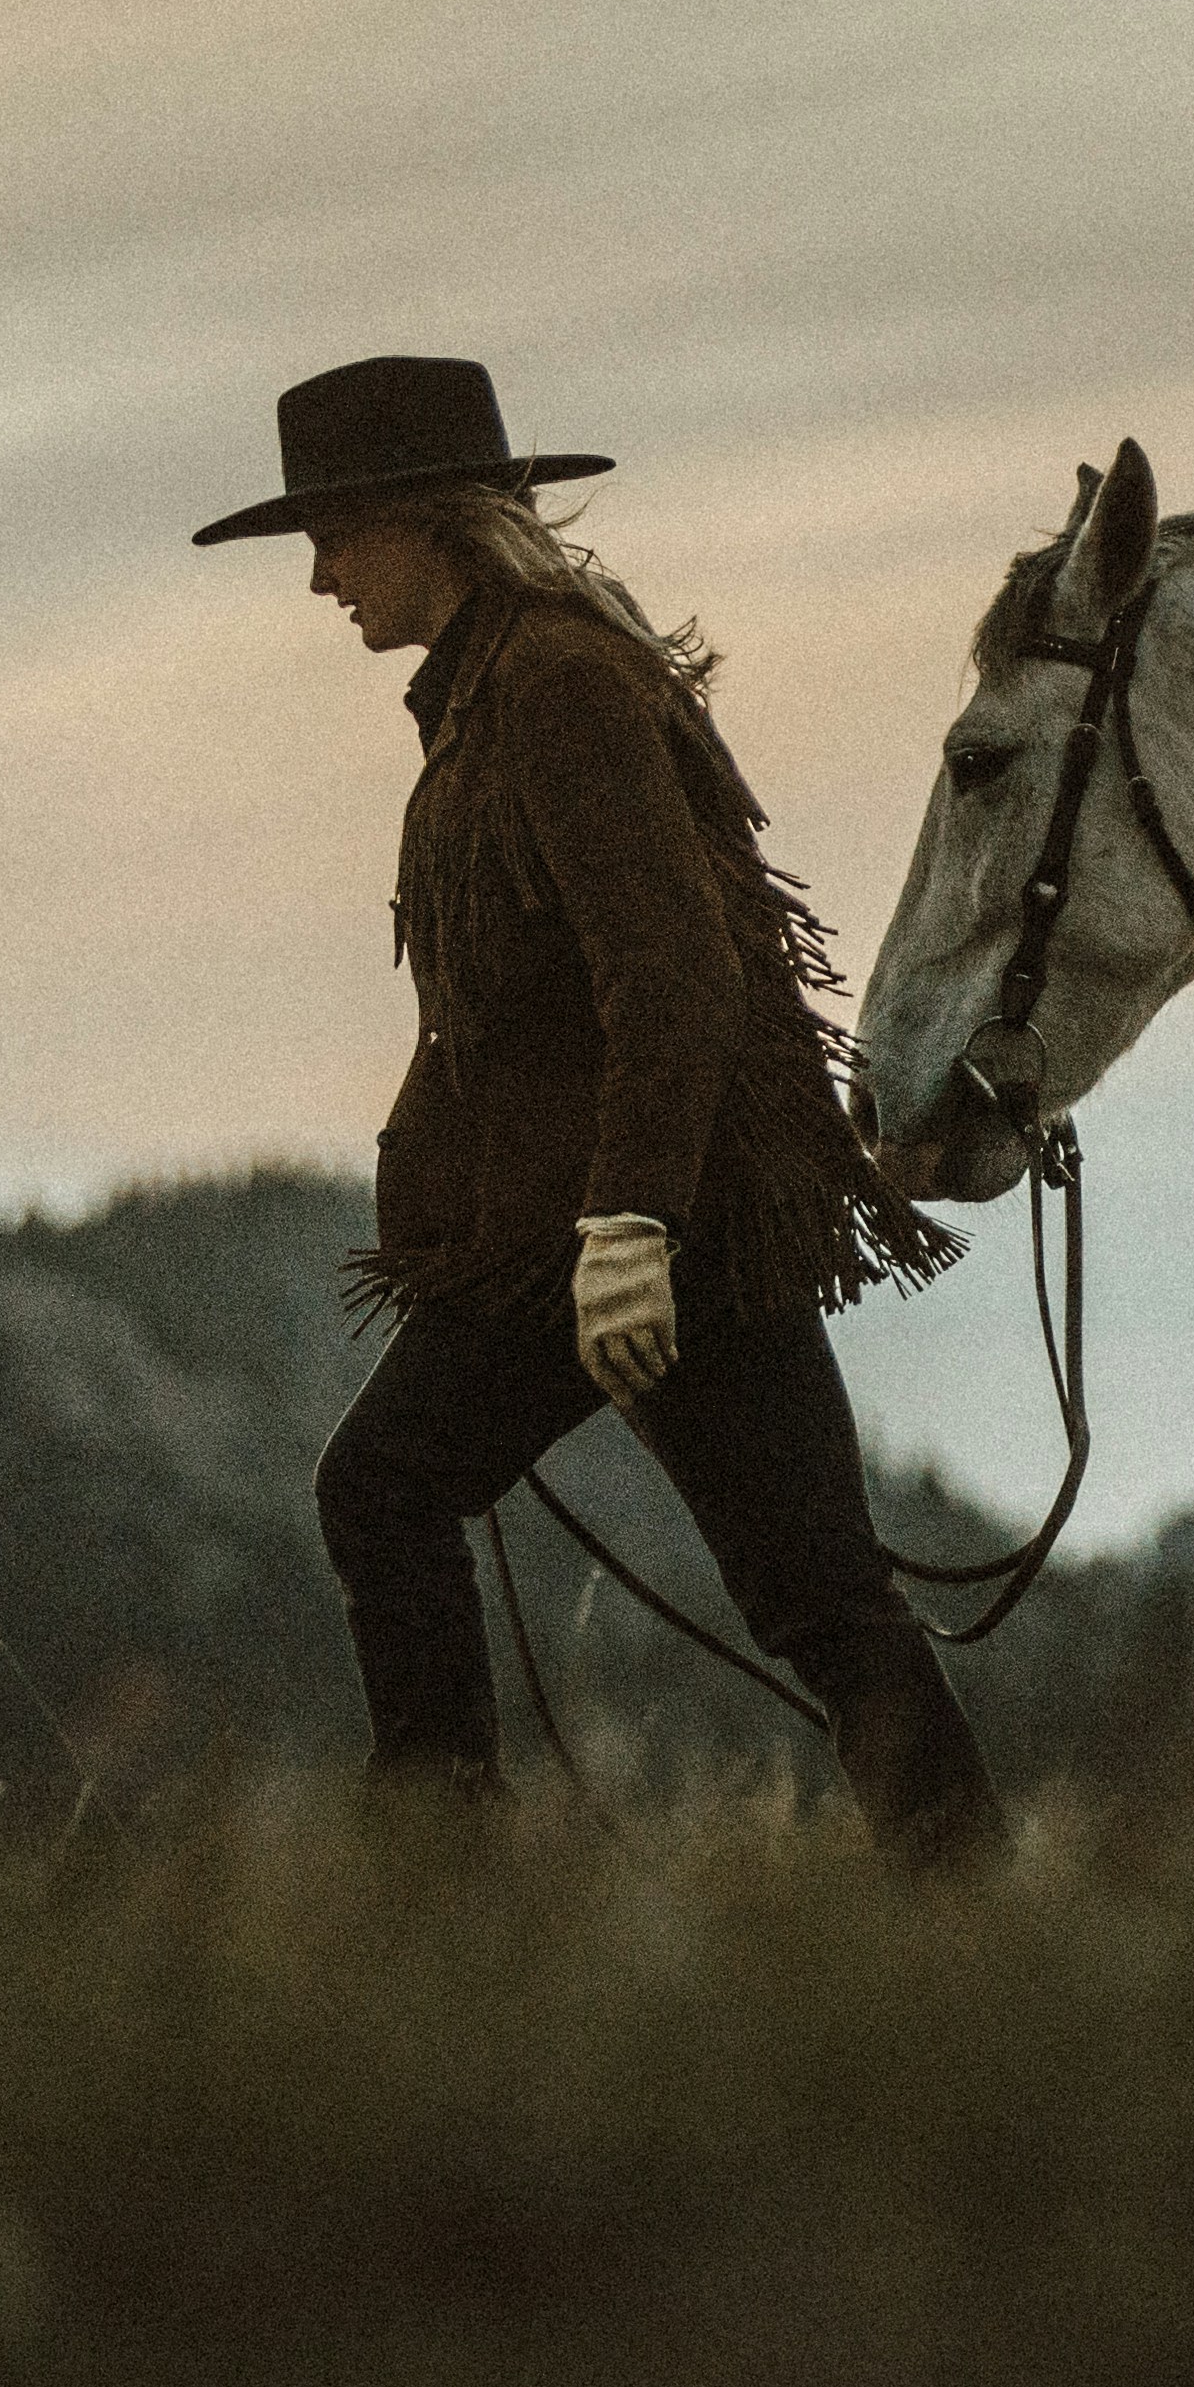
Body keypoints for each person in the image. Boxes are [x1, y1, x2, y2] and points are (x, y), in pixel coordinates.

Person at [198, 352, 999, 1859]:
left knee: (382, 1490)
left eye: (333, 534)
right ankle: (972, 1894)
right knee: (824, 1601)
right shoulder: (508, 685)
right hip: (685, 1211)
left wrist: (630, 1220)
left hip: (633, 1222)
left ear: (429, 520)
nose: (317, 578)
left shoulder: (553, 684)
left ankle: (448, 1885)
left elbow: (672, 966)